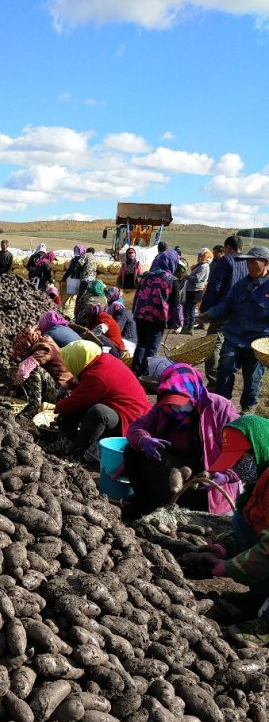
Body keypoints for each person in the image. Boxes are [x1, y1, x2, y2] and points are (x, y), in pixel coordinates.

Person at [188, 417, 269, 637]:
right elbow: (254, 528)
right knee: (240, 519)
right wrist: (223, 548)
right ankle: (259, 598)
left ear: (258, 448)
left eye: (240, 460)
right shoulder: (260, 478)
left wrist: (228, 568)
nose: (236, 468)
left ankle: (262, 629)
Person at [124, 362, 239, 517]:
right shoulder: (162, 409)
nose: (176, 408)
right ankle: (148, 505)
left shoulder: (220, 408)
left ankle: (167, 509)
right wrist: (144, 440)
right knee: (133, 450)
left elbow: (243, 453)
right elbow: (135, 429)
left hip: (203, 480)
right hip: (174, 471)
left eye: (181, 403)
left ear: (193, 392)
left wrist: (225, 476)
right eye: (172, 404)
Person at [52, 341, 151, 461]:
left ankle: (76, 452)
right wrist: (67, 385)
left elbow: (76, 401)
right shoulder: (102, 359)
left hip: (131, 421)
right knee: (76, 405)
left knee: (98, 412)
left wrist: (56, 407)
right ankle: (66, 439)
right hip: (125, 411)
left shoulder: (97, 377)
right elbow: (83, 379)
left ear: (78, 360)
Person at [200, 245, 269, 415]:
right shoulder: (241, 285)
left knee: (253, 378)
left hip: (258, 342)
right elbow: (226, 305)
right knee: (225, 366)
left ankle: (247, 411)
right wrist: (209, 314)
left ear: (266, 263)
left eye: (254, 262)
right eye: (248, 262)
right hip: (234, 336)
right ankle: (222, 407)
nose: (249, 266)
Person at [200, 235, 248, 388]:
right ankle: (226, 379)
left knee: (213, 344)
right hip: (240, 312)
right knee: (231, 345)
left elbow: (216, 287)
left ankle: (215, 380)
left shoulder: (226, 260)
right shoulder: (248, 262)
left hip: (222, 310)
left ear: (227, 247)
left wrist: (206, 309)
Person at [131, 251, 181, 377]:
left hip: (141, 315)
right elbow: (176, 303)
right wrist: (177, 322)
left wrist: (134, 310)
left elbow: (137, 295)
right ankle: (143, 374)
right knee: (151, 348)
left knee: (141, 344)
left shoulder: (147, 276)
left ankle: (135, 371)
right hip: (157, 318)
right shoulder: (172, 280)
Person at [10, 326, 73, 421]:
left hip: (61, 394)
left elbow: (26, 368)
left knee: (33, 370)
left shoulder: (44, 347)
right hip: (59, 389)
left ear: (27, 343)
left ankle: (33, 408)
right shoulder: (43, 342)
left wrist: (13, 387)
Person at [181, 249, 213, 333]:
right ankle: (186, 326)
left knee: (191, 310)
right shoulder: (200, 265)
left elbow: (197, 278)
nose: (199, 257)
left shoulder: (204, 266)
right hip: (191, 290)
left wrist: (186, 276)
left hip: (195, 291)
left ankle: (190, 328)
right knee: (186, 308)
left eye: (201, 255)